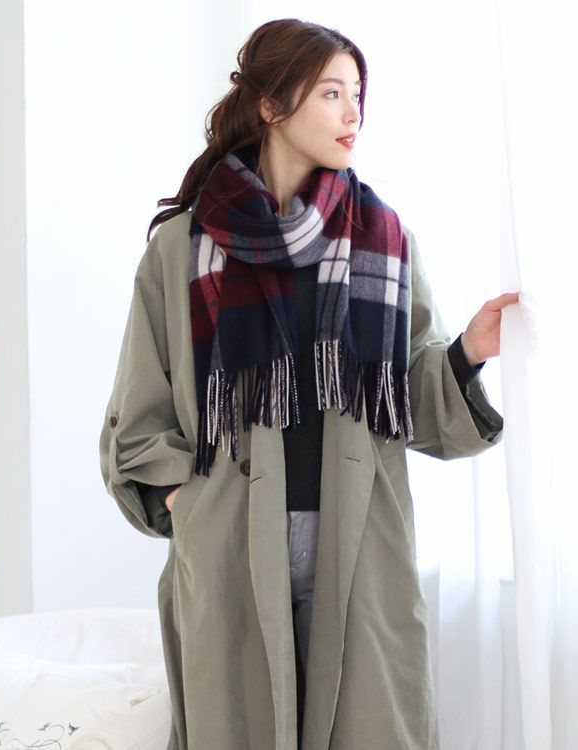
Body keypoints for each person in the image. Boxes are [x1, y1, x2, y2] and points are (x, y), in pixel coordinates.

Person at [99, 18, 518, 750]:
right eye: (332, 93)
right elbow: (136, 420)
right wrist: (190, 507)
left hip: (358, 546)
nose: (354, 113)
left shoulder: (384, 240)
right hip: (232, 547)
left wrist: (469, 352)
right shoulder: (181, 249)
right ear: (271, 105)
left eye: (358, 94)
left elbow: (409, 403)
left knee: (372, 729)